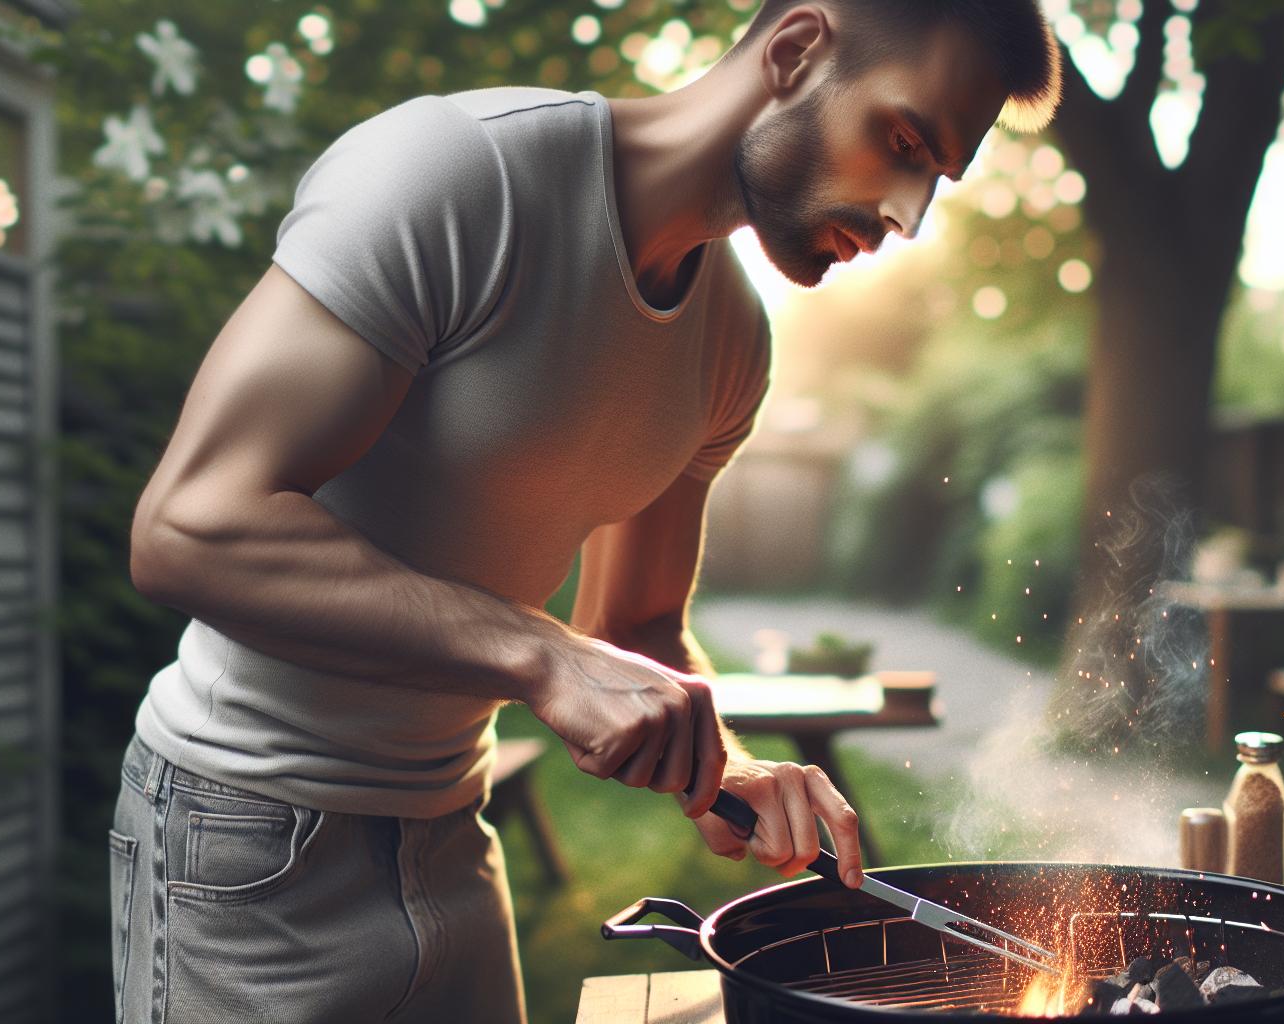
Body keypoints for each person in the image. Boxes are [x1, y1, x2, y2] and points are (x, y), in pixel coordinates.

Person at [109, 2, 1062, 1021]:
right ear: (793, 52)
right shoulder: (456, 176)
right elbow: (189, 526)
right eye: (903, 141)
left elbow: (635, 630)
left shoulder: (731, 343)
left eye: (933, 179)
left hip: (450, 833)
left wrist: (729, 766)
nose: (906, 216)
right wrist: (543, 654)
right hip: (243, 834)